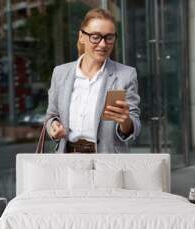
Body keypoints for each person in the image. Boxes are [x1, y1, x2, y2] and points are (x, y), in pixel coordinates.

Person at [45, 8, 140, 153]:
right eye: (95, 37)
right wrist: (54, 127)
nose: (103, 44)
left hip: (107, 160)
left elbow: (134, 125)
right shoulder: (60, 73)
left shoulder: (125, 75)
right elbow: (52, 115)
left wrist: (125, 121)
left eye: (109, 37)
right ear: (81, 37)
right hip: (68, 158)